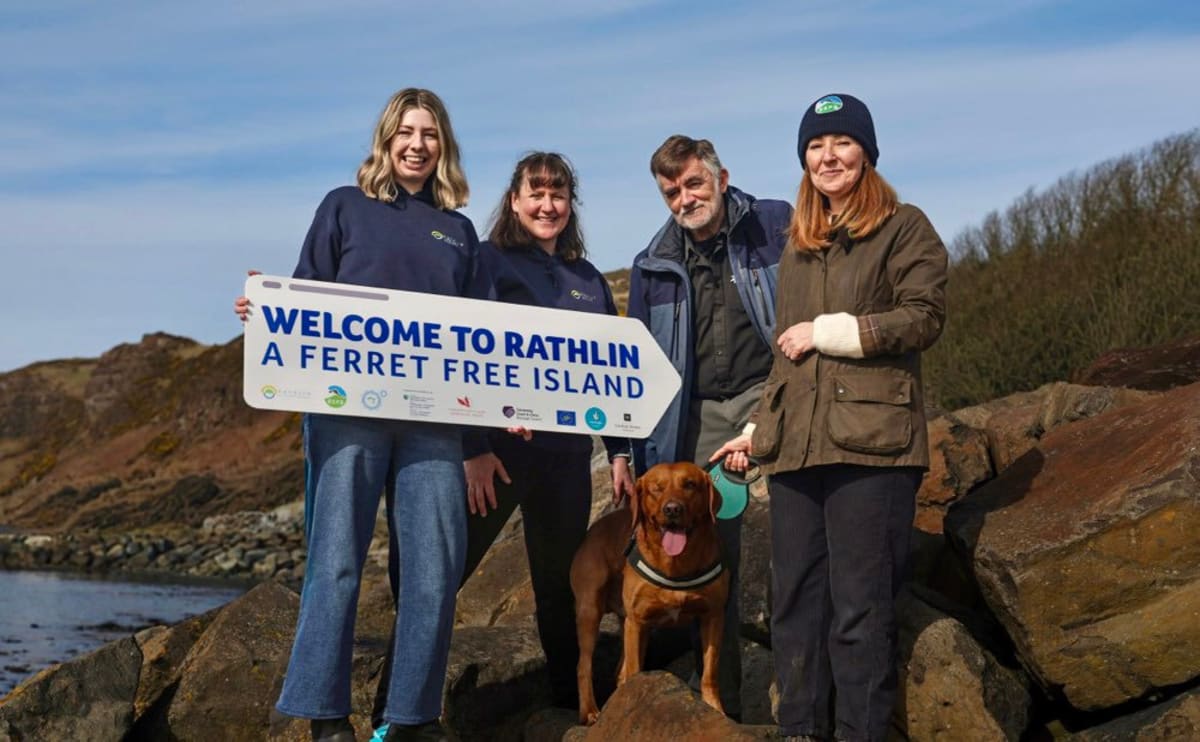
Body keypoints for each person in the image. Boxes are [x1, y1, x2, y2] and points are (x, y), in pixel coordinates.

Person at [240, 88, 485, 742]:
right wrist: (270, 316)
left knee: (435, 569)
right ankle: (325, 717)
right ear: (386, 140)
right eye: (406, 132)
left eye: (430, 134)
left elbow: (485, 337)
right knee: (338, 563)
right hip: (347, 412)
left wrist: (490, 430)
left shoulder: (459, 231)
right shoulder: (344, 207)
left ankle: (410, 718)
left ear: (444, 147)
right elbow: (304, 295)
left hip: (434, 422)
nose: (417, 144)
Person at [712, 93, 948, 742]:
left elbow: (923, 316)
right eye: (816, 146)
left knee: (860, 613)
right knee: (794, 608)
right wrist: (761, 429)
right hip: (797, 454)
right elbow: (787, 356)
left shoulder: (905, 227)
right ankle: (798, 734)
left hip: (874, 450)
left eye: (841, 142)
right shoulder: (799, 246)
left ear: (866, 153)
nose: (828, 156)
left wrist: (834, 330)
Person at [625, 135, 792, 720]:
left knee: (794, 540)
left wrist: (764, 416)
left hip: (771, 392)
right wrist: (628, 450)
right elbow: (638, 362)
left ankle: (799, 707)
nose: (684, 198)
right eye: (671, 191)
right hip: (694, 414)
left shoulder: (774, 224)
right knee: (715, 555)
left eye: (694, 183)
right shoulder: (652, 263)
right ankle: (724, 711)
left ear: (721, 178)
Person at [460, 151, 636, 708]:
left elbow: (609, 372)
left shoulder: (588, 280)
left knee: (561, 588)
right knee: (441, 575)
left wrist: (618, 451)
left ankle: (565, 706)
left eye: (558, 195)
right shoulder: (485, 261)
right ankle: (400, 706)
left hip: (564, 460)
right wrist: (475, 443)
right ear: (514, 201)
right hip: (498, 456)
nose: (547, 204)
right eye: (536, 193)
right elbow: (460, 349)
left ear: (570, 205)